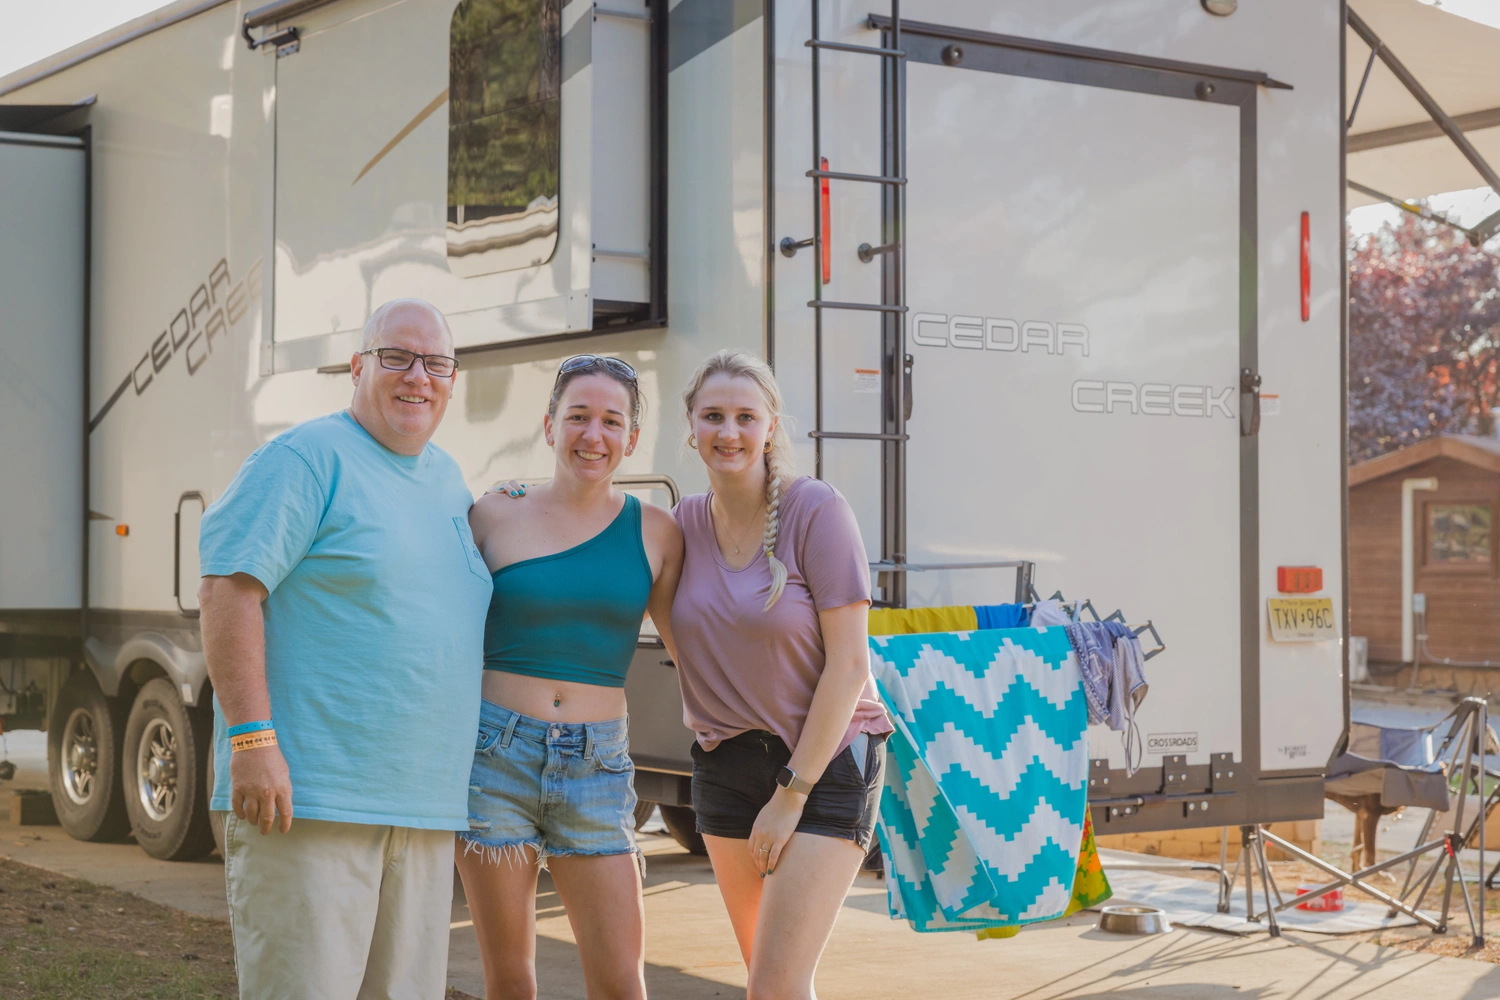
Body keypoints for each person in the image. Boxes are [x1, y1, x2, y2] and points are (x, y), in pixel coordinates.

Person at [197, 299, 493, 999]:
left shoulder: (449, 480)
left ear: (452, 379)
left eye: (436, 363)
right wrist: (251, 741)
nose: (417, 376)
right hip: (311, 803)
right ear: (358, 366)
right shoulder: (305, 459)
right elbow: (228, 591)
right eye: (397, 357)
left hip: (422, 810)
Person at [670, 350, 893, 1000]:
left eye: (746, 416)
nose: (729, 432)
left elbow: (850, 664)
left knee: (775, 984)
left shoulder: (816, 510)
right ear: (691, 426)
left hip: (824, 763)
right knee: (768, 983)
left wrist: (791, 794)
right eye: (713, 416)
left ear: (770, 426)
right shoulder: (682, 524)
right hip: (726, 765)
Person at [459, 354, 683, 1000]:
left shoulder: (658, 532)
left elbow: (693, 650)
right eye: (578, 416)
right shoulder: (493, 515)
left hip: (597, 766)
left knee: (620, 984)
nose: (593, 435)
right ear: (549, 425)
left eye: (612, 421)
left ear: (632, 439)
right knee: (510, 981)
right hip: (493, 758)